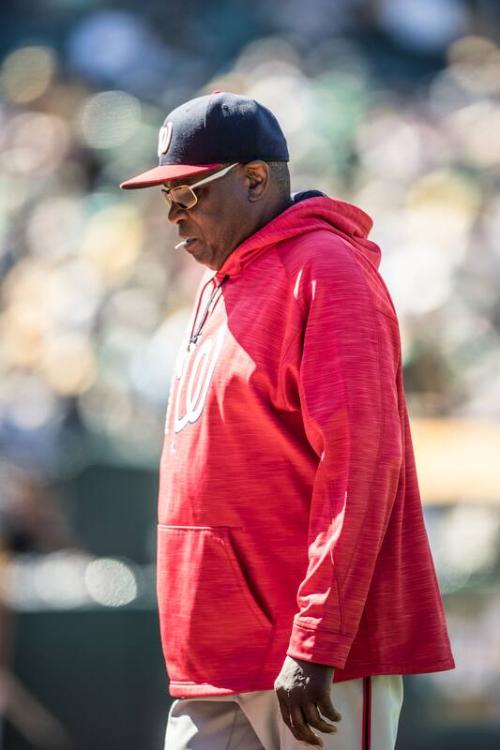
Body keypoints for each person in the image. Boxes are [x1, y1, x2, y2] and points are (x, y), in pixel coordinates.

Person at [120, 91, 455, 750]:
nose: (172, 215)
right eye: (165, 198)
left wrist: (317, 640)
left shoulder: (326, 271)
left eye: (187, 193)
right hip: (213, 661)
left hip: (311, 661)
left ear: (254, 180)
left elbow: (361, 468)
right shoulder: (221, 281)